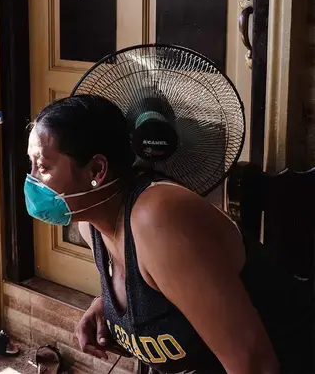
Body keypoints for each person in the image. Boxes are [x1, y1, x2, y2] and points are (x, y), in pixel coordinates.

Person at [25, 95, 312, 374]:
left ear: (97, 169)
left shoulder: (158, 220)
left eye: (43, 166)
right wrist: (108, 309)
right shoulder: (91, 224)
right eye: (31, 165)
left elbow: (256, 365)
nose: (32, 180)